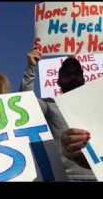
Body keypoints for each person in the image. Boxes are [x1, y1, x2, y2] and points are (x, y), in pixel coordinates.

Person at [20, 48, 96, 181]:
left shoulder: (96, 104)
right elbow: (26, 102)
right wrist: (31, 67)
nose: (72, 77)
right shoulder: (51, 105)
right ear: (58, 81)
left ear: (83, 78)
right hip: (66, 177)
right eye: (67, 74)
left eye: (76, 73)